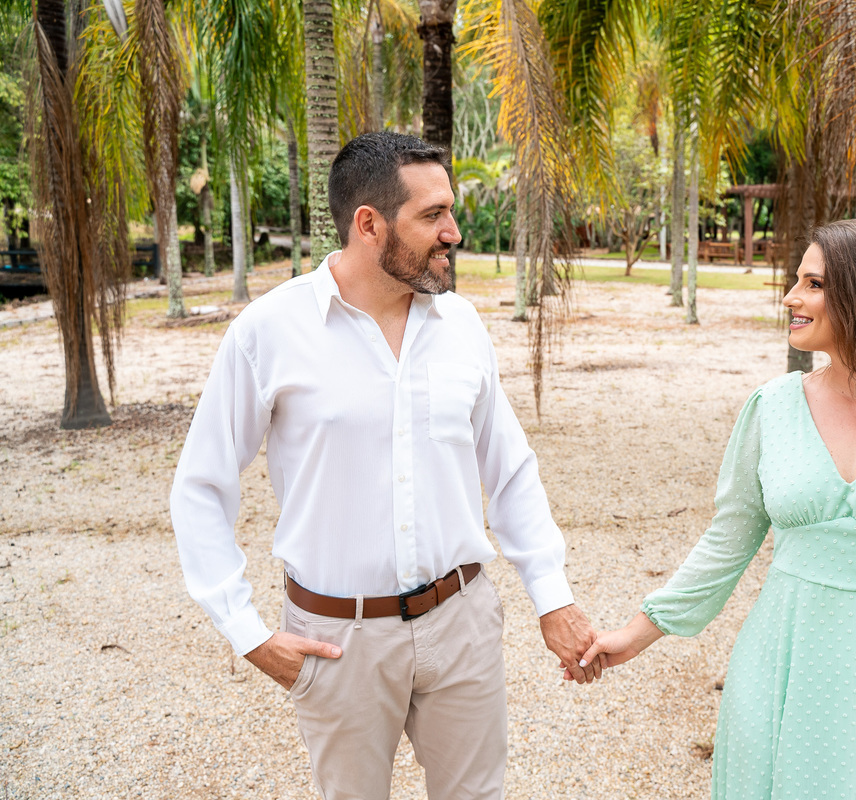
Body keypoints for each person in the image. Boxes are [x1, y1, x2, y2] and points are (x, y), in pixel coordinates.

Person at [170, 132, 600, 800]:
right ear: (368, 224)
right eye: (432, 215)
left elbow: (509, 467)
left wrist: (552, 594)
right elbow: (201, 486)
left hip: (462, 625)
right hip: (336, 641)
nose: (453, 232)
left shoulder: (461, 327)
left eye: (450, 211)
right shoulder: (269, 332)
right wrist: (249, 634)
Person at [581, 219, 856, 798]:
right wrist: (637, 634)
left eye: (812, 283)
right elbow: (727, 543)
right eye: (797, 281)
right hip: (783, 661)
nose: (791, 297)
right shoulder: (772, 408)